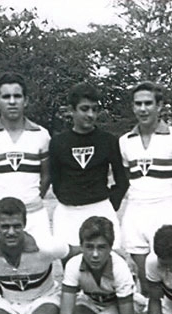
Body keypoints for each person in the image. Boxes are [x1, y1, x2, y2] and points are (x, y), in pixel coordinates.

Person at [119, 82, 172, 293]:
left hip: (166, 208)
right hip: (136, 211)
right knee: (145, 280)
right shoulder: (125, 141)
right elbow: (128, 180)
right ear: (133, 107)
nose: (143, 109)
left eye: (148, 103)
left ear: (159, 106)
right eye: (138, 104)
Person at [49, 82, 129, 257]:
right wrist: (68, 198)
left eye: (94, 109)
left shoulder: (108, 141)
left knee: (108, 266)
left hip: (100, 208)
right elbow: (55, 180)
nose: (90, 114)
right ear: (71, 110)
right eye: (84, 109)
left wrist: (108, 203)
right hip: (67, 213)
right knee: (71, 267)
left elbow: (122, 180)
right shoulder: (58, 142)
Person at [0, 72, 52, 239]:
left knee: (40, 263)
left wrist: (30, 201)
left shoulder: (42, 135)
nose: (12, 102)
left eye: (17, 96)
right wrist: (1, 206)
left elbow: (46, 177)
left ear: (25, 100)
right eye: (6, 97)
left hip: (34, 215)